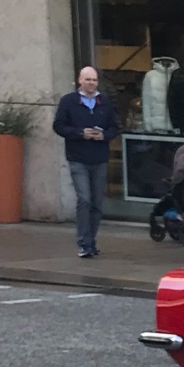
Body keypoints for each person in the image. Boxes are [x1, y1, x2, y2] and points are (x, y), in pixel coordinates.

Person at [53, 67, 121, 258]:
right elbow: (58, 126)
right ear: (80, 81)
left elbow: (115, 127)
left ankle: (91, 241)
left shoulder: (104, 102)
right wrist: (80, 133)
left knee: (97, 203)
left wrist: (104, 135)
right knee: (85, 199)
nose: (91, 83)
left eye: (94, 80)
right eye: (88, 80)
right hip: (78, 158)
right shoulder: (69, 101)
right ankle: (83, 243)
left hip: (99, 157)